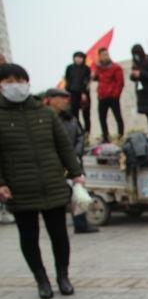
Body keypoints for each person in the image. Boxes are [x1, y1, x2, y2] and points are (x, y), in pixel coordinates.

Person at [0, 64, 85, 299]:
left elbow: (64, 147)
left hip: (52, 184)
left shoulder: (45, 113)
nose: (15, 85)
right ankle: (41, 279)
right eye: (8, 80)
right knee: (29, 237)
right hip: (20, 188)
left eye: (19, 79)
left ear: (27, 82)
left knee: (59, 235)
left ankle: (62, 277)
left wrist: (76, 173)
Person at [43, 87, 99, 234]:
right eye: (61, 98)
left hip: (73, 162)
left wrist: (75, 154)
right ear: (51, 100)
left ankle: (81, 224)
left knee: (78, 192)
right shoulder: (43, 118)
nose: (65, 101)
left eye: (66, 98)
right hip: (54, 164)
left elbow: (80, 137)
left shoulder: (71, 119)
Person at [93, 47, 125, 143]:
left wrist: (116, 94)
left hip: (112, 96)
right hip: (102, 96)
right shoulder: (99, 69)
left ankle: (120, 135)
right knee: (102, 117)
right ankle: (106, 137)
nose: (105, 56)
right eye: (103, 55)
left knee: (118, 116)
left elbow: (120, 82)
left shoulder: (115, 67)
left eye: (107, 54)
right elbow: (96, 79)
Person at [64, 51, 92, 138]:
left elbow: (87, 81)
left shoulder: (86, 68)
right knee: (74, 114)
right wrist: (67, 91)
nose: (78, 59)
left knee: (86, 114)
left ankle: (87, 132)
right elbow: (67, 79)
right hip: (73, 93)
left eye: (80, 57)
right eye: (76, 57)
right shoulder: (69, 68)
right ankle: (81, 131)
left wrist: (84, 92)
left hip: (84, 94)